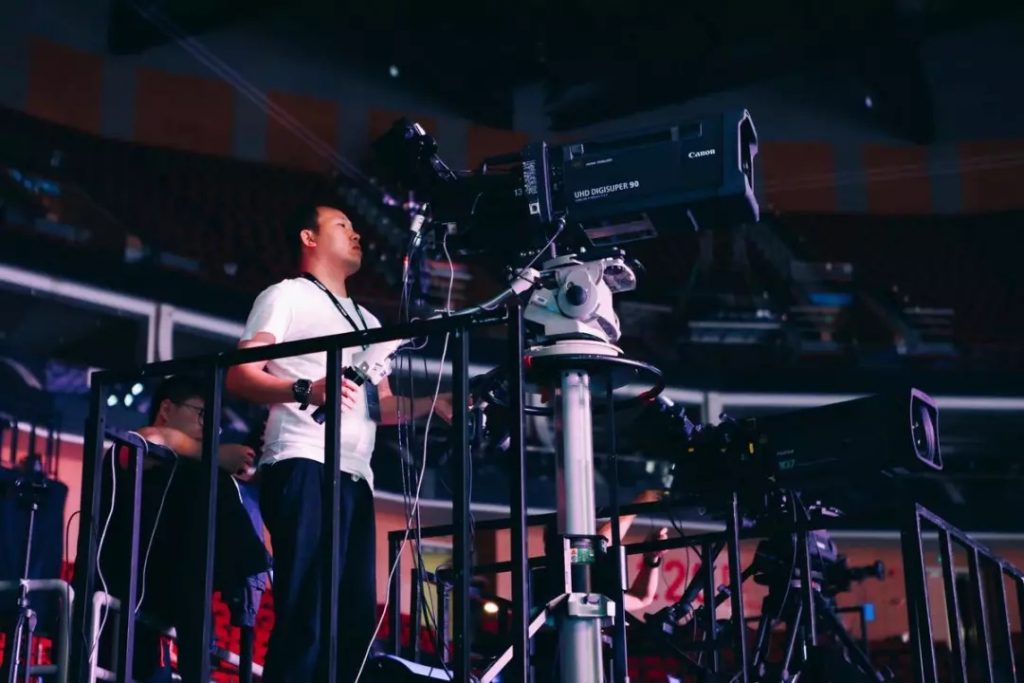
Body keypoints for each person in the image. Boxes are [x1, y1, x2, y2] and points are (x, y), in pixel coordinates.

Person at [225, 203, 453, 682]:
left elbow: (380, 405)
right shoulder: (286, 295)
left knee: (352, 620)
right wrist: (306, 389)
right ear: (309, 237)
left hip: (355, 476)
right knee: (307, 612)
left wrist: (434, 404)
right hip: (303, 460)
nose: (356, 234)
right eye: (342, 225)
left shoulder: (369, 319)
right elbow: (240, 375)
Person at [96, 375, 268, 682]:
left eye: (213, 422)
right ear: (166, 409)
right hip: (118, 601)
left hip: (166, 602)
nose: (208, 428)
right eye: (202, 414)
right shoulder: (134, 447)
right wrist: (215, 455)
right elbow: (152, 439)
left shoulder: (192, 470)